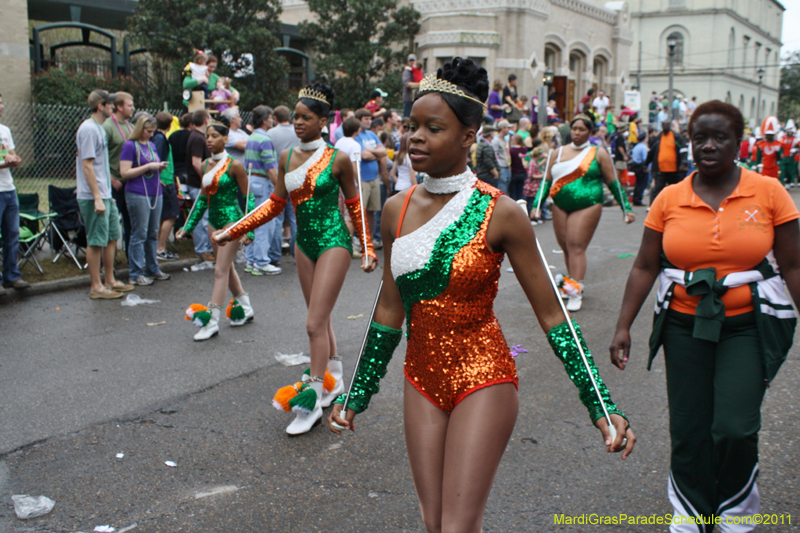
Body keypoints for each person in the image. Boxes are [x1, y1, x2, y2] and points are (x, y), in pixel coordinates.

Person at [328, 59, 634, 533]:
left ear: (468, 136)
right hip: (420, 377)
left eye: (434, 128)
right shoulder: (394, 209)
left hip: (484, 377)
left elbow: (553, 315)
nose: (415, 138)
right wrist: (358, 394)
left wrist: (600, 403)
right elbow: (388, 307)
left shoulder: (501, 212)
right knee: (434, 522)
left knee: (458, 526)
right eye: (412, 126)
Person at [610, 101, 800, 532]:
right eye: (700, 138)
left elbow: (793, 265)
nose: (709, 146)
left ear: (739, 142)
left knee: (735, 427)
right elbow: (645, 265)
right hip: (683, 326)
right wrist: (623, 326)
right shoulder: (669, 198)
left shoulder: (769, 192)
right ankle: (693, 514)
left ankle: (734, 514)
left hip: (748, 326)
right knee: (689, 427)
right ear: (689, 143)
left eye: (720, 137)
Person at [216, 83, 378, 435]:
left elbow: (355, 206)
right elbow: (275, 204)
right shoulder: (287, 156)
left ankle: (311, 401)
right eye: (296, 117)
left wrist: (367, 247)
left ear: (323, 121)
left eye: (306, 117)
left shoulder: (338, 159)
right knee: (319, 318)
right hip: (304, 245)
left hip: (334, 241)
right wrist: (235, 229)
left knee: (313, 324)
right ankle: (334, 377)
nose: (299, 122)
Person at [531, 114, 635, 311]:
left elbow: (613, 182)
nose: (577, 133)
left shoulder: (599, 153)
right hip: (560, 205)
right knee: (566, 247)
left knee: (576, 246)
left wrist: (626, 209)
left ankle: (576, 290)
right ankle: (572, 283)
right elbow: (546, 181)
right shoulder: (557, 152)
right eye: (574, 129)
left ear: (590, 132)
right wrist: (537, 206)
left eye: (582, 129)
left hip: (588, 204)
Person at [177, 121, 256, 341]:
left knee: (220, 271)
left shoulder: (235, 165)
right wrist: (187, 227)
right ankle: (245, 307)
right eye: (207, 136)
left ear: (225, 138)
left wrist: (248, 230)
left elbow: (249, 199)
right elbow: (202, 200)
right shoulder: (204, 165)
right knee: (226, 267)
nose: (209, 140)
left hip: (232, 223)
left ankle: (211, 322)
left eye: (214, 136)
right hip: (213, 222)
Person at [76, 90, 134, 299]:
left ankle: (109, 280)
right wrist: (98, 197)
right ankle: (96, 287)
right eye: (110, 104)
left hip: (105, 193)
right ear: (101, 106)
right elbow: (87, 166)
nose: (113, 106)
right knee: (96, 240)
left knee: (112, 237)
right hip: (93, 196)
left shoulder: (99, 128)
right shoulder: (88, 129)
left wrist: (106, 195)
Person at [119, 113, 170, 286]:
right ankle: (135, 273)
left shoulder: (151, 145)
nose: (151, 134)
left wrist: (158, 169)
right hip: (138, 193)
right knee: (139, 233)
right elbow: (125, 172)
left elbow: (152, 166)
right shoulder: (130, 146)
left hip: (155, 191)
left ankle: (152, 268)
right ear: (140, 129)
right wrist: (148, 166)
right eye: (148, 131)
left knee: (153, 233)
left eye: (152, 131)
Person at [243, 105, 282, 275]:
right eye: (271, 118)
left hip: (251, 181)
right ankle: (261, 261)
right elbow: (270, 168)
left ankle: (251, 260)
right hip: (263, 182)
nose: (273, 121)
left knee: (254, 222)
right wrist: (279, 187)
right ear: (265, 120)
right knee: (265, 224)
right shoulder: (265, 139)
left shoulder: (252, 137)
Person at [0, 93, 30, 290]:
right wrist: (5, 163)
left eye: (1, 102)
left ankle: (11, 275)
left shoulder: (5, 130)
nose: (2, 106)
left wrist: (14, 159)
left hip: (9, 189)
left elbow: (11, 155)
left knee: (12, 234)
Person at [103, 91, 135, 261]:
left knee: (131, 223)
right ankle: (109, 261)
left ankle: (132, 259)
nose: (133, 108)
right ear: (119, 107)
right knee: (112, 225)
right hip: (114, 184)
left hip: (130, 184)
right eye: (130, 105)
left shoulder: (130, 126)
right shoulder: (108, 126)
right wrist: (112, 179)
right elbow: (99, 158)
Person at [266, 105, 300, 257]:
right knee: (294, 218)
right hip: (296, 177)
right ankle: (296, 253)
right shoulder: (297, 132)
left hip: (277, 177)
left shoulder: (270, 133)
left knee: (277, 218)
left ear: (275, 118)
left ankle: (275, 254)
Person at [185, 110, 216, 263]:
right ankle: (203, 250)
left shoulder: (198, 136)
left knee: (205, 217)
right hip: (198, 184)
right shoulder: (198, 138)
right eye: (210, 117)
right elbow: (196, 162)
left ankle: (206, 248)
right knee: (202, 218)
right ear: (205, 120)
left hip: (199, 183)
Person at [354, 108, 387, 249]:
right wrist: (376, 153)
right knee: (361, 211)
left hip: (374, 178)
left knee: (372, 211)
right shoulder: (356, 136)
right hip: (362, 179)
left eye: (370, 118)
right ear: (358, 120)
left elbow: (384, 151)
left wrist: (370, 151)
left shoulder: (372, 134)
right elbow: (364, 155)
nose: (369, 121)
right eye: (365, 119)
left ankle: (370, 239)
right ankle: (359, 240)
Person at [152, 112, 181, 261]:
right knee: (171, 215)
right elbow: (156, 159)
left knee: (164, 216)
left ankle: (156, 247)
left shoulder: (159, 137)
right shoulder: (160, 139)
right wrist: (157, 177)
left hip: (166, 179)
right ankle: (160, 248)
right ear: (170, 125)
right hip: (164, 181)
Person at [648, 120, 688, 205]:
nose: (665, 126)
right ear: (662, 126)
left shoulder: (676, 137)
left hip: (674, 171)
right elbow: (652, 152)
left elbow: (683, 149)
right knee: (657, 190)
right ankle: (653, 206)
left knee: (675, 190)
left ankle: (675, 206)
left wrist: (683, 162)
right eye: (664, 124)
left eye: (667, 124)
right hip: (660, 170)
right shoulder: (659, 137)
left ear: (670, 126)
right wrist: (646, 164)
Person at [629, 129, 649, 206]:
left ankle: (635, 198)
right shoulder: (644, 147)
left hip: (636, 166)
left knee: (637, 184)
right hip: (641, 167)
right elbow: (645, 159)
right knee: (642, 184)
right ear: (645, 139)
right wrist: (646, 168)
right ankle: (638, 199)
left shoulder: (636, 146)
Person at [491, 119, 511, 193]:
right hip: (501, 167)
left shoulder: (505, 140)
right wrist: (498, 166)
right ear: (503, 128)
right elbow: (495, 154)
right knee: (502, 188)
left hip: (507, 166)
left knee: (506, 186)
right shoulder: (496, 140)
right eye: (508, 128)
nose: (509, 130)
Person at [508, 133, 529, 201]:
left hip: (514, 173)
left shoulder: (511, 150)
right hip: (523, 173)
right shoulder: (525, 149)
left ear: (515, 141)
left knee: (513, 192)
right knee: (521, 192)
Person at [779, 120, 798, 188]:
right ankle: (782, 182)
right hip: (784, 157)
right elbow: (781, 147)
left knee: (790, 170)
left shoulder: (795, 139)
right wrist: (781, 153)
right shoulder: (783, 138)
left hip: (791, 157)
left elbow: (797, 146)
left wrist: (795, 149)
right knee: (782, 170)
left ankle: (790, 182)